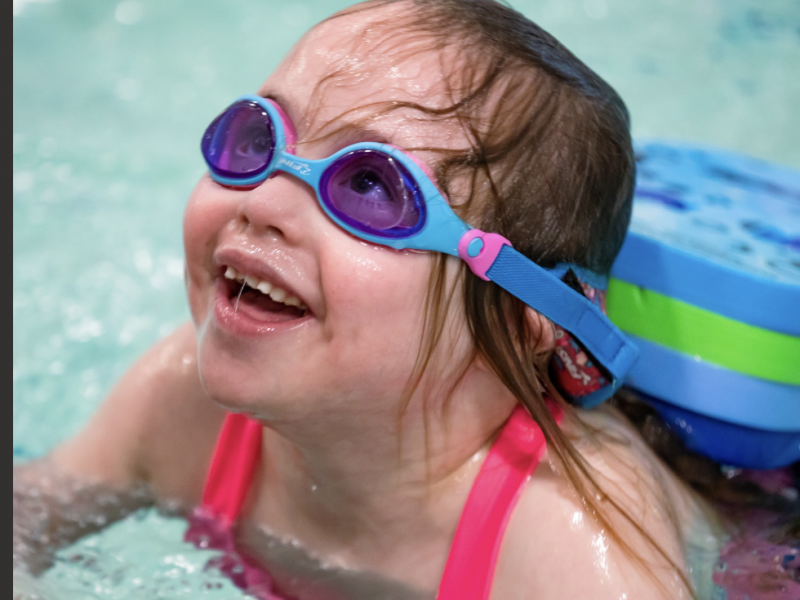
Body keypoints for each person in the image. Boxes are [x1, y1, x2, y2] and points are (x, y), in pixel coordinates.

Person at [12, 0, 725, 598]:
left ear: (515, 319)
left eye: (369, 187)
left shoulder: (572, 544)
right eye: (258, 138)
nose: (262, 202)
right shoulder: (181, 405)